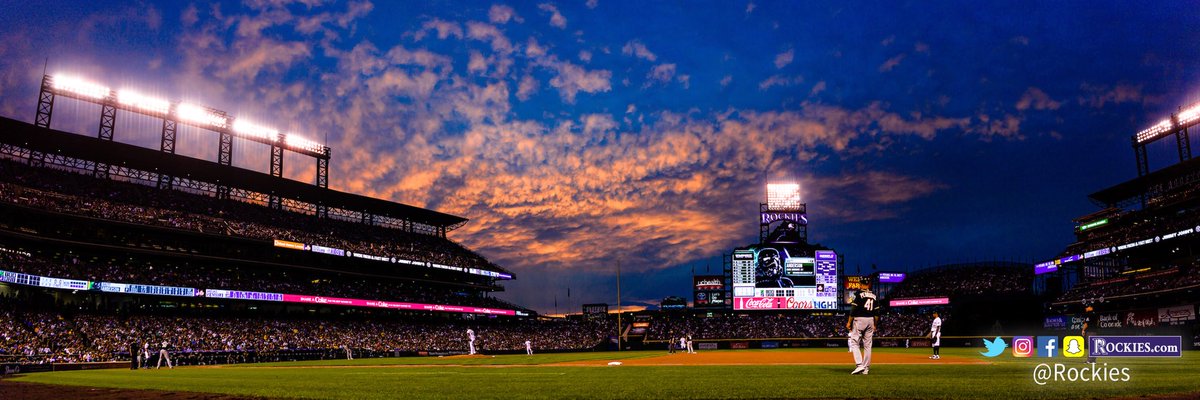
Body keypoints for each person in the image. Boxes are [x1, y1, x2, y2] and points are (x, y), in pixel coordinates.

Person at [847, 277, 879, 375]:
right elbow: (877, 313)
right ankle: (866, 369)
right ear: (868, 284)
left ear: (861, 284)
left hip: (860, 319)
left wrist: (849, 322)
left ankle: (859, 365)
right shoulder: (874, 296)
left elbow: (853, 310)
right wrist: (875, 324)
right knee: (868, 346)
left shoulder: (858, 295)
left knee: (855, 342)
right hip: (871, 320)